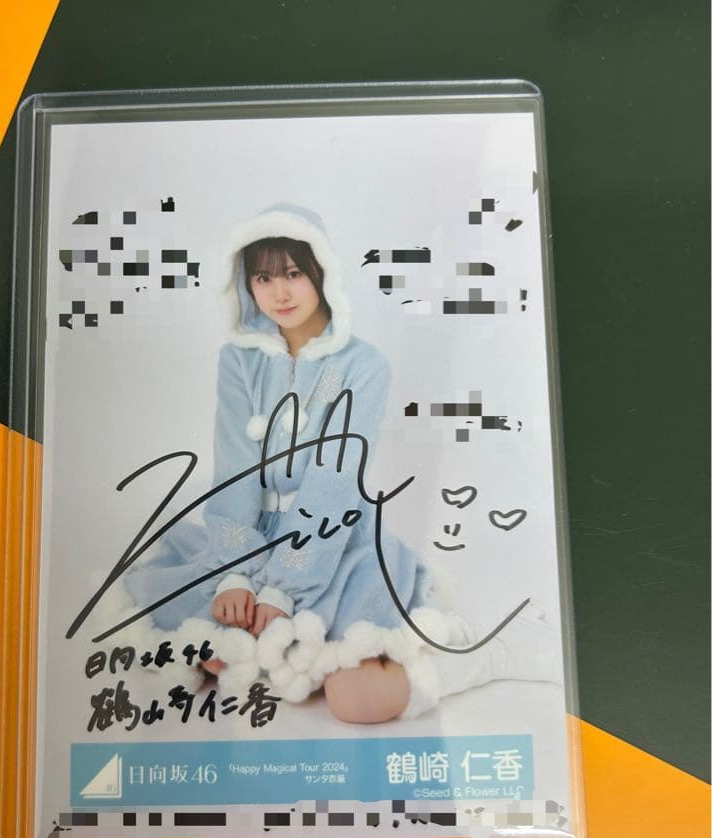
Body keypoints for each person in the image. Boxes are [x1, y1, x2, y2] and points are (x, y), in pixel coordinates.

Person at [114, 204, 559, 722]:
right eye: (263, 278)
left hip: (333, 542)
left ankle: (495, 651)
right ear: (245, 284)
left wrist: (284, 586)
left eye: (293, 273)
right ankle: (280, 643)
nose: (279, 293)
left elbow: (334, 480)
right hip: (245, 538)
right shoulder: (238, 361)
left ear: (321, 272)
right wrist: (235, 574)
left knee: (354, 699)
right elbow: (233, 466)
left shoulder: (363, 366)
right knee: (209, 656)